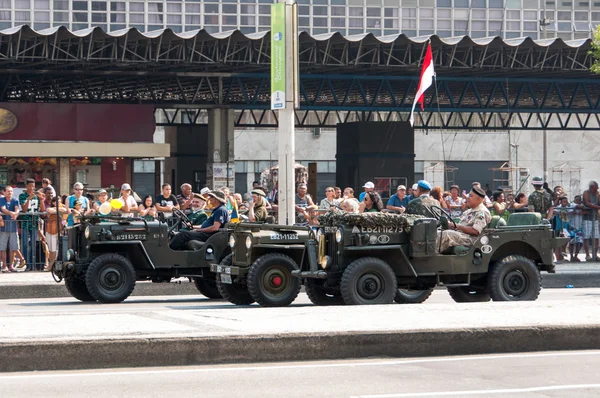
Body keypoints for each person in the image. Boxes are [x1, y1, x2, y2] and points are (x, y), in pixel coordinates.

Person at [438, 186, 492, 253]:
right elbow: (460, 223)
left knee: (447, 234)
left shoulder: (482, 212)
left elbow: (475, 231)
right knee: (437, 232)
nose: (467, 198)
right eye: (468, 195)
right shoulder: (469, 211)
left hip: (472, 239)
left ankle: (429, 258)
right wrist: (451, 225)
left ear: (479, 199)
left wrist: (457, 226)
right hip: (462, 235)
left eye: (471, 196)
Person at [19, 178, 46, 271]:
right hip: (25, 223)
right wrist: (29, 199)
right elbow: (24, 209)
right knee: (25, 245)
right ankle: (28, 264)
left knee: (34, 244)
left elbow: (42, 210)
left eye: (33, 186)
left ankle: (33, 264)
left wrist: (41, 199)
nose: (32, 188)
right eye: (30, 186)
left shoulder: (37, 196)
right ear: (26, 186)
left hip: (34, 223)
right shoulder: (22, 195)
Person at [0, 186, 20, 272]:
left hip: (13, 227)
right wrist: (11, 213)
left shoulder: (15, 200)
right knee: (2, 247)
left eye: (11, 191)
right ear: (4, 192)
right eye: (8, 191)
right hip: (3, 227)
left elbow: (17, 208)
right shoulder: (2, 200)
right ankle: (4, 265)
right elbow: (3, 209)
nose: (10, 193)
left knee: (13, 247)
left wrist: (16, 213)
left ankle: (11, 266)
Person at [44, 195, 65, 272]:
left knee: (58, 250)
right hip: (51, 231)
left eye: (59, 201)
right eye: (56, 201)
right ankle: (51, 264)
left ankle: (53, 265)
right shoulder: (49, 208)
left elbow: (65, 210)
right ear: (53, 202)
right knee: (52, 250)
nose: (58, 202)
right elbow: (49, 210)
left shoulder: (63, 207)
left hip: (60, 231)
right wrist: (58, 210)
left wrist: (57, 210)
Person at [583, 180, 600, 261]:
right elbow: (587, 203)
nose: (597, 188)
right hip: (587, 218)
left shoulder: (598, 193)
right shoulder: (586, 193)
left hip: (595, 217)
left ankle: (595, 254)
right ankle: (587, 255)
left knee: (596, 236)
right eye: (596, 186)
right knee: (586, 236)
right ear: (592, 187)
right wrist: (596, 207)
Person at [568, 195, 585, 262]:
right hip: (572, 227)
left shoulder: (582, 205)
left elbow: (587, 210)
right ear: (574, 200)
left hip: (579, 228)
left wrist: (583, 211)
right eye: (576, 199)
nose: (578, 200)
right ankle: (571, 256)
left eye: (579, 199)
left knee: (580, 242)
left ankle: (576, 256)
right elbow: (573, 209)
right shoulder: (572, 205)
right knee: (572, 242)